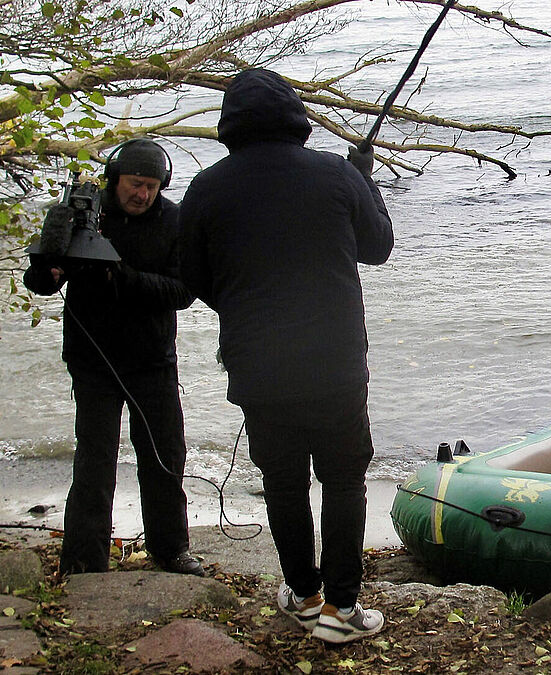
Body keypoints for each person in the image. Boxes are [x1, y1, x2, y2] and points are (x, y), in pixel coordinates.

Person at [179, 69, 394, 643]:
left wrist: (243, 305)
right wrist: (365, 183)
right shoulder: (336, 173)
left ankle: (303, 596)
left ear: (230, 123)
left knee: (283, 480)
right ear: (295, 115)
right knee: (345, 479)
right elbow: (378, 247)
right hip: (335, 362)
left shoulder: (207, 188)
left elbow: (192, 276)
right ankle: (342, 611)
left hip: (258, 365)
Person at [23, 139, 203, 577]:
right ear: (113, 179)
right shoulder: (83, 212)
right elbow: (40, 282)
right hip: (92, 360)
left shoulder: (174, 220)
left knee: (164, 459)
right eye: (135, 184)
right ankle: (84, 561)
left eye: (152, 187)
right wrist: (51, 266)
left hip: (152, 361)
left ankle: (170, 550)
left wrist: (122, 277)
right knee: (94, 463)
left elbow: (184, 291)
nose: (142, 194)